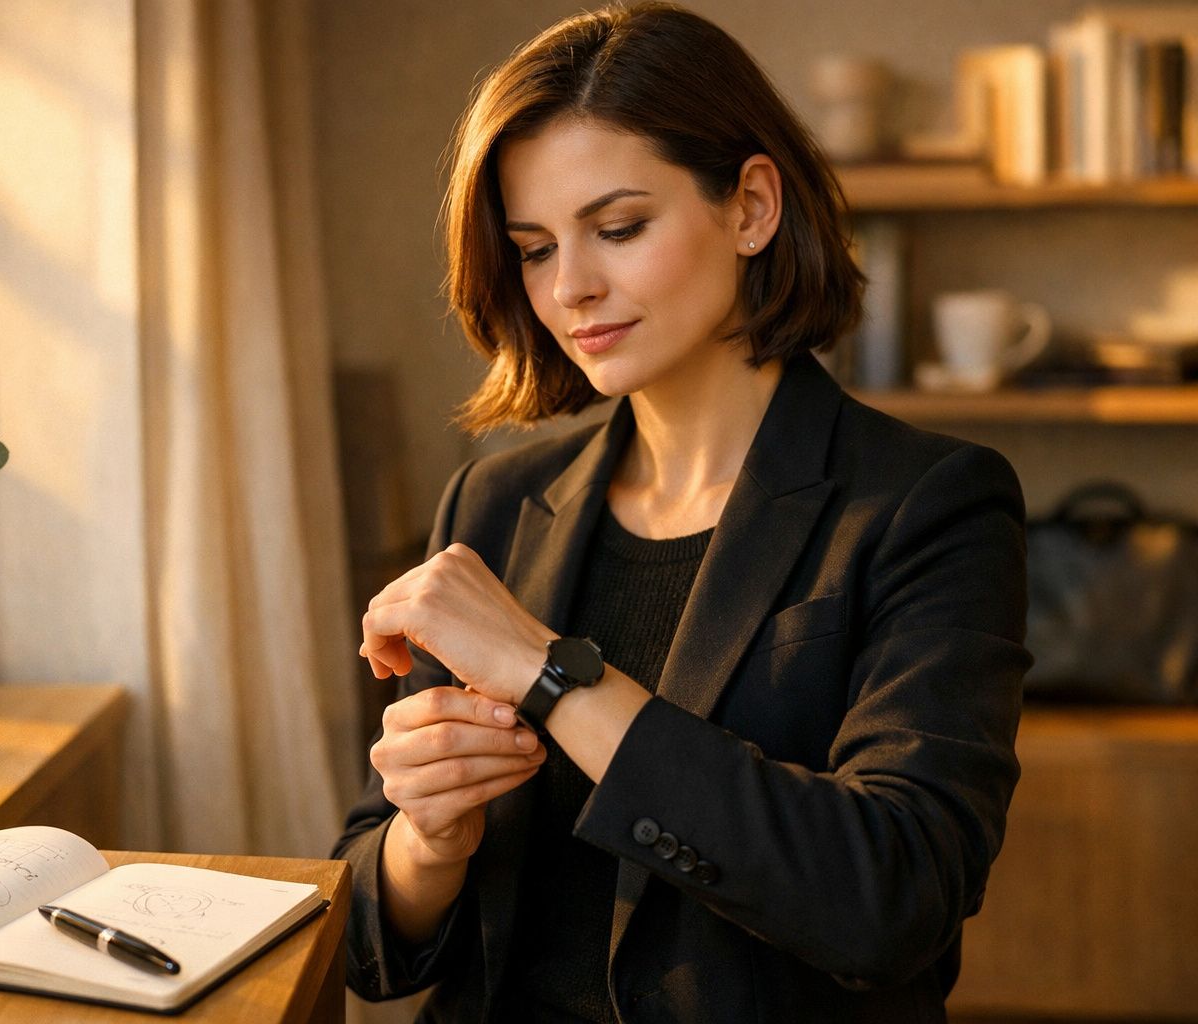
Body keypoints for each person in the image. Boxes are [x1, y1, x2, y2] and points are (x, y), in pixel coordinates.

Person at [332, 4, 1029, 1021]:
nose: (570, 287)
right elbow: (368, 946)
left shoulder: (930, 505)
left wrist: (552, 674)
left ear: (751, 206)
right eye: (533, 248)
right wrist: (424, 843)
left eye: (618, 228)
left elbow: (893, 900)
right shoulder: (493, 502)